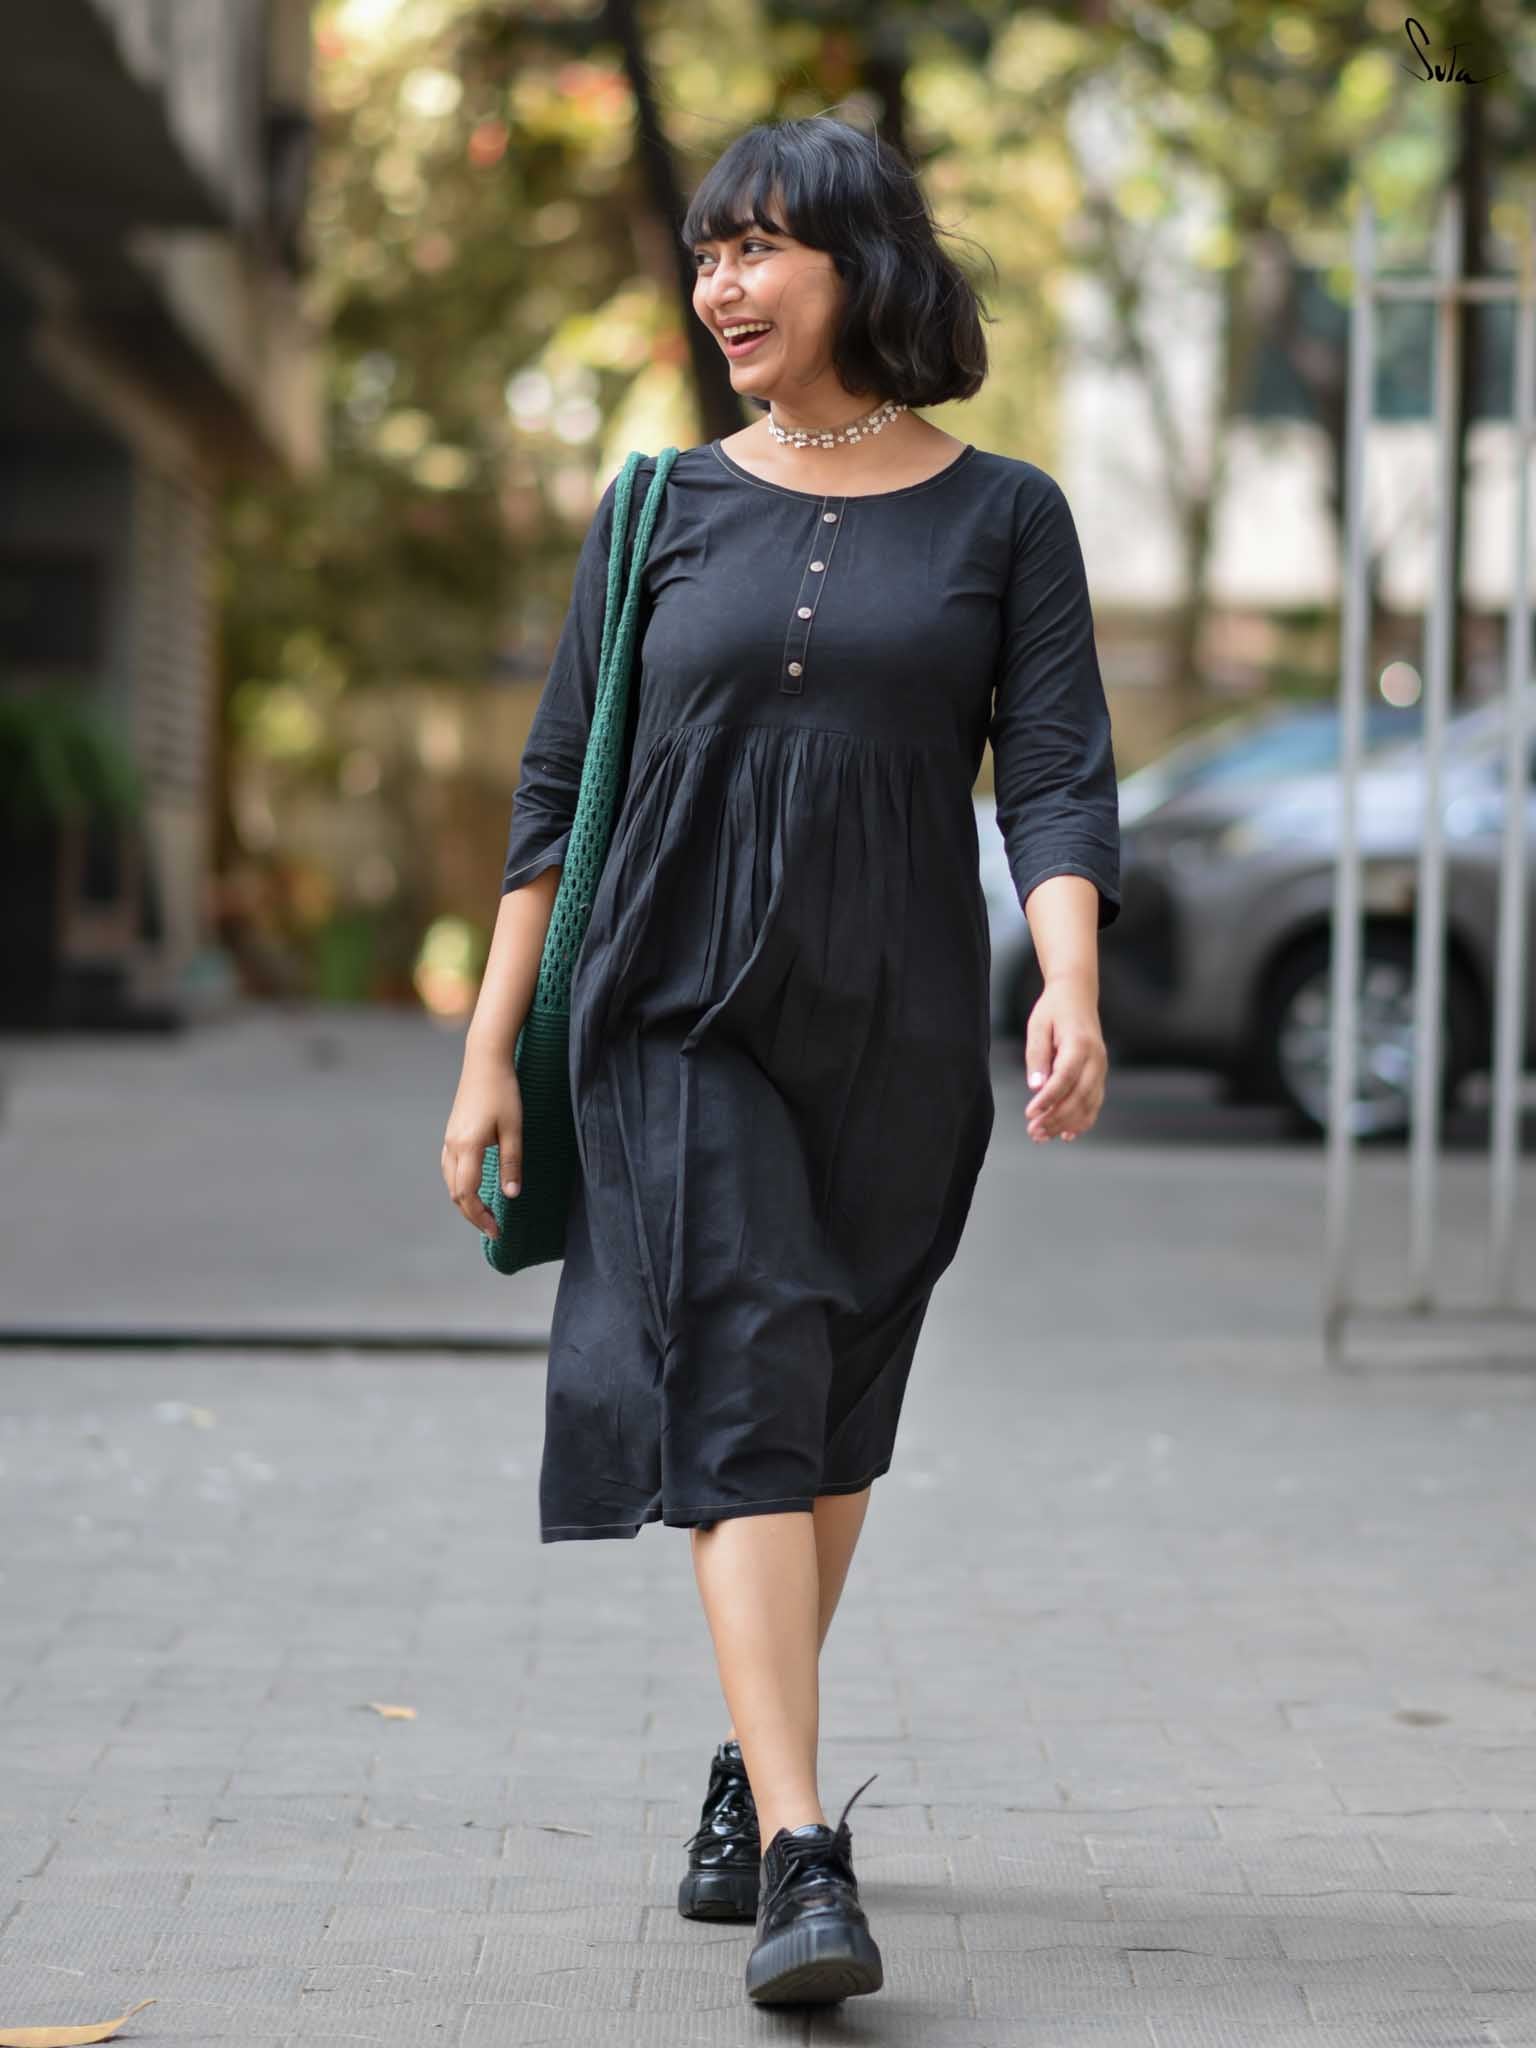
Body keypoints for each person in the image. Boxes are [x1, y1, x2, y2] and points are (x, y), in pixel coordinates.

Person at [441, 112, 1121, 2008]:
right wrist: (491, 1054)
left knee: (826, 1407)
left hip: (897, 1021)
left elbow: (1056, 774)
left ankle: (756, 1762)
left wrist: (1069, 982)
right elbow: (558, 795)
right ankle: (811, 1859)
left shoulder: (1008, 517)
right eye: (706, 253)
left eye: (757, 249)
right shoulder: (659, 506)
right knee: (742, 1356)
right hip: (675, 1006)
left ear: (858, 264)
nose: (719, 285)